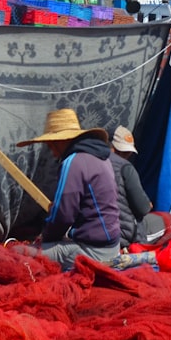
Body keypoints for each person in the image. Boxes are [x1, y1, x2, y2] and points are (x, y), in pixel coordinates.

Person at [15, 108, 121, 269]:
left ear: (60, 141)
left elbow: (63, 215)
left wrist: (44, 239)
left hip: (91, 252)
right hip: (112, 246)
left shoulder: (73, 161)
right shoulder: (101, 157)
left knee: (18, 252)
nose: (51, 152)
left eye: (51, 145)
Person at [109, 125, 171, 249]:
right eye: (123, 152)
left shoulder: (87, 164)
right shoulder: (125, 167)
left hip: (94, 234)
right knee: (169, 221)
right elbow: (142, 208)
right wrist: (146, 205)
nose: (125, 156)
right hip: (124, 236)